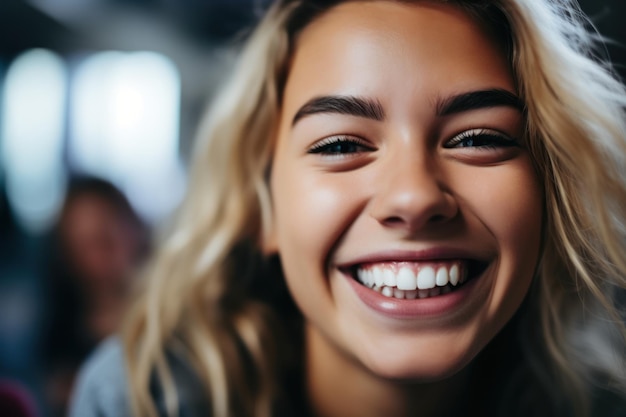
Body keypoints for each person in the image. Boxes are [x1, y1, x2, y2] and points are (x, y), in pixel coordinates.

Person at [70, 1, 626, 416]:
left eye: (477, 138)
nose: (413, 197)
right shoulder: (139, 399)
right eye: (339, 146)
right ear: (261, 208)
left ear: (548, 191)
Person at [43, 176, 149, 417]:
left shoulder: (176, 319)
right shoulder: (58, 336)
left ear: (134, 227)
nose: (100, 258)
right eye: (85, 246)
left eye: (107, 239)